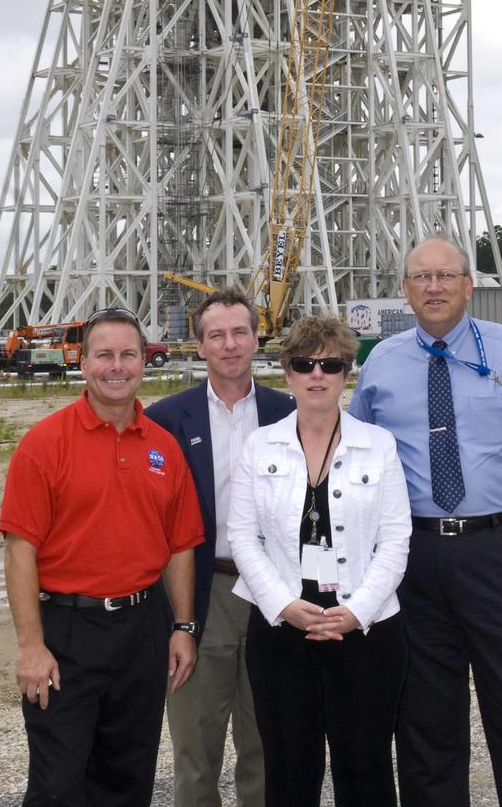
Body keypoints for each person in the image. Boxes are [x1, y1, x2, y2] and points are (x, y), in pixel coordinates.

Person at [350, 236, 502, 807]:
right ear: (405, 290)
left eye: (446, 275)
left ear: (468, 284)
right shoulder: (380, 362)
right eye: (421, 277)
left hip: (500, 553)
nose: (434, 287)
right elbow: (355, 460)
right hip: (416, 560)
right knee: (426, 724)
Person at [0, 307, 205, 807]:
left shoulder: (163, 448)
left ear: (143, 361)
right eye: (104, 355)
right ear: (83, 363)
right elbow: (19, 549)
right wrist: (31, 646)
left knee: (127, 778)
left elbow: (180, 545)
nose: (117, 367)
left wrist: (182, 626)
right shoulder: (44, 444)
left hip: (141, 630)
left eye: (128, 355)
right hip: (69, 632)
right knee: (57, 785)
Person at [228, 315, 411, 807]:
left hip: (364, 631)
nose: (317, 375)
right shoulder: (259, 445)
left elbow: (396, 540)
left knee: (366, 767)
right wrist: (283, 604)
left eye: (330, 365)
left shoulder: (379, 445)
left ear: (346, 373)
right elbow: (243, 538)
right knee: (288, 770)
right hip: (283, 631)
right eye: (304, 364)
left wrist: (358, 611)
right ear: (286, 372)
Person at [149, 289, 293, 807]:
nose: (230, 345)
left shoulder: (290, 412)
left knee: (266, 741)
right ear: (199, 344)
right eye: (217, 335)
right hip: (199, 595)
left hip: (273, 597)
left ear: (257, 339)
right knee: (196, 747)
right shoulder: (166, 419)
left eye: (239, 333)